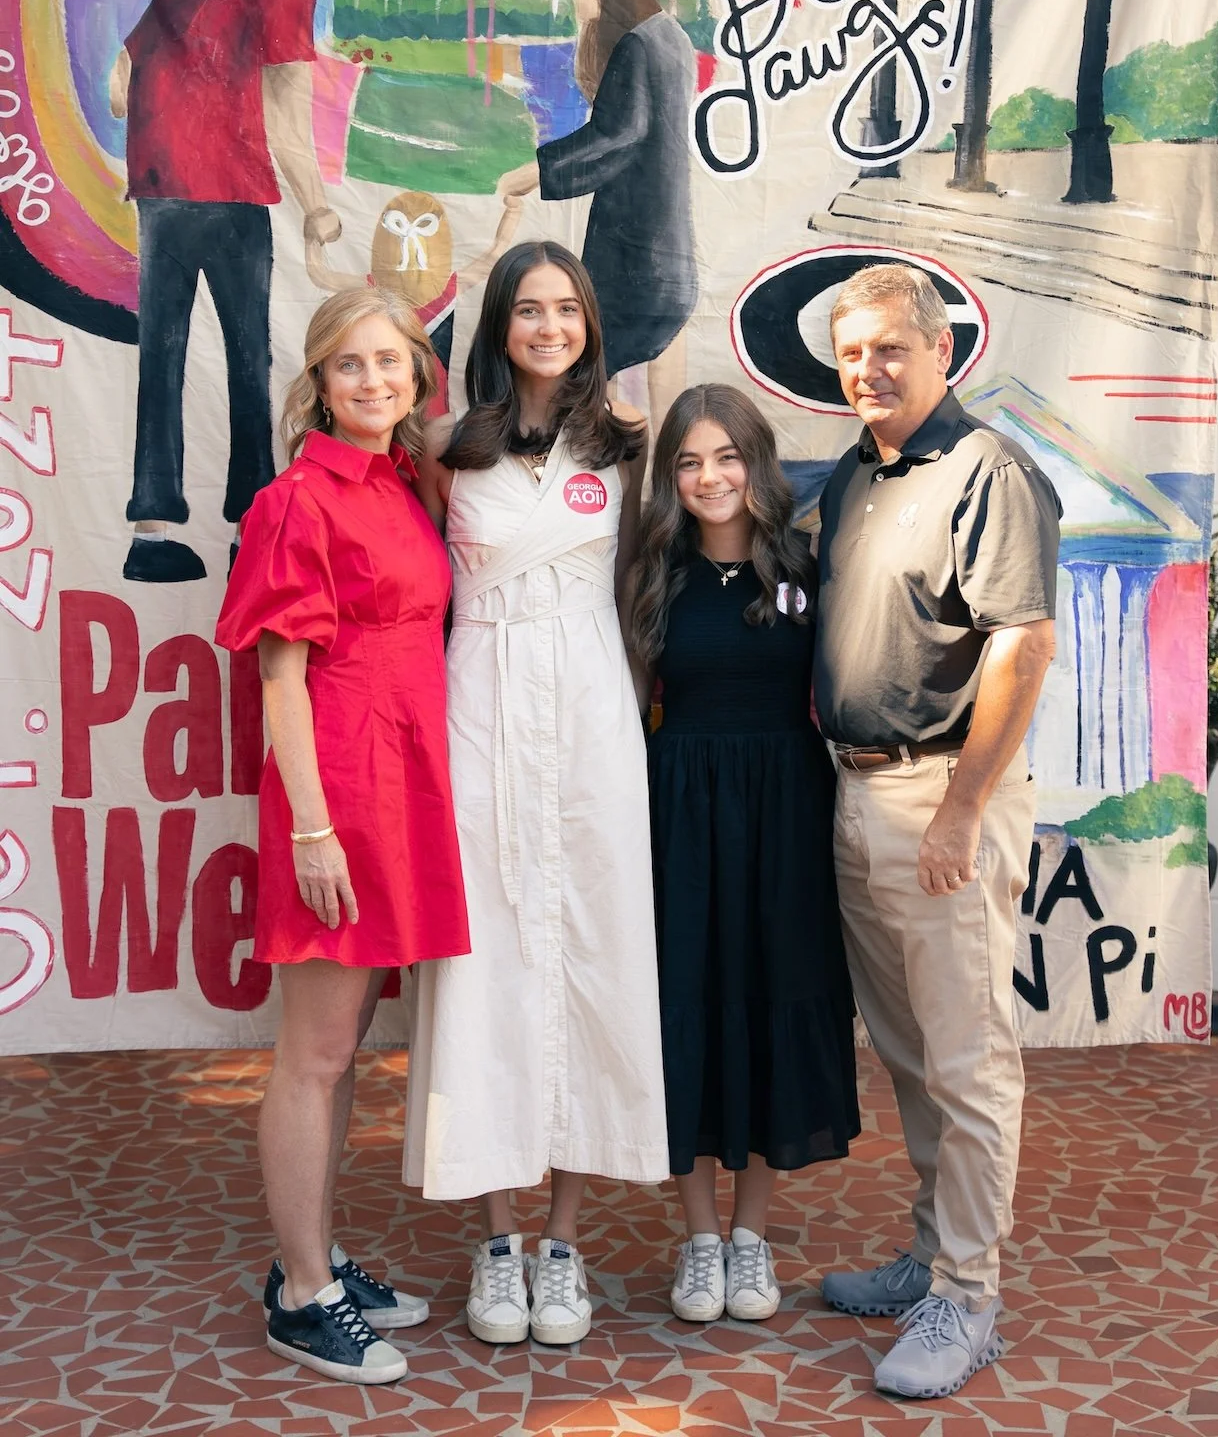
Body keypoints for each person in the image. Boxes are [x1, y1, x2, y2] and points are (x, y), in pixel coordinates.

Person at [404, 240, 668, 1348]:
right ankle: (497, 1239)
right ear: (499, 326)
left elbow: (647, 587)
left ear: (590, 323)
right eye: (528, 309)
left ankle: (563, 1243)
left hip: (596, 720)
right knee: (489, 966)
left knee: (593, 957)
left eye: (567, 309)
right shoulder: (445, 448)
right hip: (482, 714)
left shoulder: (627, 446)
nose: (549, 326)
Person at [814, 265, 1061, 1400]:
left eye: (890, 349)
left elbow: (1020, 644)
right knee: (910, 1051)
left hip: (942, 800)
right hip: (857, 791)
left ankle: (967, 1296)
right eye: (851, 350)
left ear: (938, 352)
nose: (869, 368)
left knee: (966, 1059)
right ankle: (929, 1255)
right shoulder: (857, 478)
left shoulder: (986, 470)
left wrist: (961, 807)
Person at [216, 286, 469, 1386]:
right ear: (317, 384)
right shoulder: (297, 500)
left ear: (418, 372)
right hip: (342, 788)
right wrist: (312, 829)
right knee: (313, 1057)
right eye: (350, 367)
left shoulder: (405, 480)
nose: (375, 382)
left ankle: (310, 1265)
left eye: (391, 362)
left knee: (345, 1047)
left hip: (402, 779)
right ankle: (303, 1293)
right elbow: (279, 678)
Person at [627, 385, 859, 1326]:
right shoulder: (650, 572)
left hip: (786, 812)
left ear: (756, 464)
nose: (708, 477)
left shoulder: (804, 566)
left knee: (769, 997)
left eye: (725, 457)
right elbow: (629, 703)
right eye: (688, 461)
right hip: (676, 809)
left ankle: (751, 1238)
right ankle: (696, 1240)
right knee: (686, 1002)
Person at [112, 0, 352, 585]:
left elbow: (120, 86)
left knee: (161, 354)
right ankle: (251, 528)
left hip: (161, 194)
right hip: (231, 194)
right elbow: (285, 112)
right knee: (249, 358)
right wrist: (318, 210)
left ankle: (150, 533)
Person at [494, 0, 697, 431]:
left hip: (636, 260)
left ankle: (600, 488)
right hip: (666, 253)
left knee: (583, 379)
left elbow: (617, 135)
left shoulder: (638, 45)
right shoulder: (670, 37)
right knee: (641, 386)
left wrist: (535, 172)